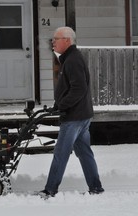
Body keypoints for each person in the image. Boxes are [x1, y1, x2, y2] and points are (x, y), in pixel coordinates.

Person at [40, 26, 104, 197]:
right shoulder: (70, 58)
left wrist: (62, 105)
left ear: (67, 40)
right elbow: (69, 87)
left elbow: (79, 88)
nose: (52, 42)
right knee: (84, 153)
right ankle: (96, 187)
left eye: (56, 39)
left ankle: (50, 189)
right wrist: (57, 104)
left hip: (74, 117)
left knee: (60, 153)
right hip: (81, 115)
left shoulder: (73, 60)